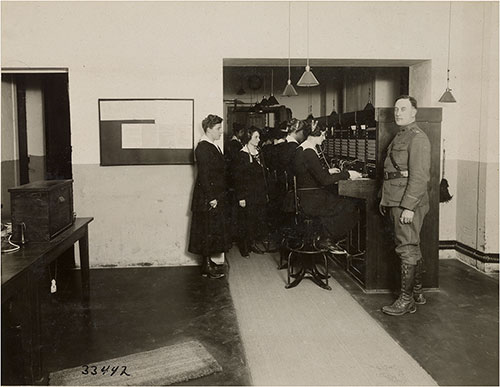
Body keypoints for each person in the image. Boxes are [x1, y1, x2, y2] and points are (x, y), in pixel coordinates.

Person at [379, 95, 431, 316]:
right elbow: (391, 171)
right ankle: (417, 292)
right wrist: (384, 197)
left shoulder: (417, 138)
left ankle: (406, 300)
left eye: (403, 109)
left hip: (406, 201)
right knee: (411, 244)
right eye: (396, 109)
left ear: (414, 112)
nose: (398, 113)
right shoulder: (401, 135)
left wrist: (409, 207)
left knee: (406, 248)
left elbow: (419, 177)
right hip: (395, 197)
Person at [291, 121, 361, 253]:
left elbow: (308, 173)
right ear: (316, 134)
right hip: (310, 200)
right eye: (323, 135)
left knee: (339, 202)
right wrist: (347, 174)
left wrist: (328, 172)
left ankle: (324, 235)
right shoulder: (309, 152)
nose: (324, 138)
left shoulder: (302, 148)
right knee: (350, 206)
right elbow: (324, 181)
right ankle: (326, 239)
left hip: (304, 196)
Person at [188, 114, 229, 279]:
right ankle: (206, 266)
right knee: (206, 230)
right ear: (209, 129)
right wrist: (211, 197)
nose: (221, 131)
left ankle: (208, 262)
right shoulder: (203, 147)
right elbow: (204, 176)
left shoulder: (212, 145)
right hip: (207, 197)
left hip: (213, 195)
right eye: (218, 128)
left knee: (210, 229)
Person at [234, 127, 269, 257]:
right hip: (247, 194)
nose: (259, 140)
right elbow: (238, 178)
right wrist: (241, 197)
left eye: (259, 137)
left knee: (256, 220)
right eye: (256, 137)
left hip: (259, 193)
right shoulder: (242, 154)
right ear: (248, 138)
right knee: (245, 221)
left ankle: (252, 243)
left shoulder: (259, 152)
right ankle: (244, 247)